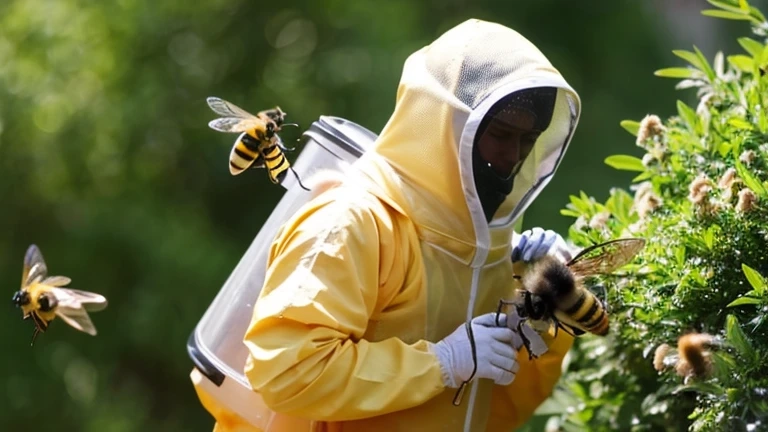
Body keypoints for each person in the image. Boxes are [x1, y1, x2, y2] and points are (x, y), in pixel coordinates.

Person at [197, 17, 581, 431]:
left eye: (528, 141)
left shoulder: (483, 253)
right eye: (502, 134)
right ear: (450, 121)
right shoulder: (350, 223)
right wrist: (443, 362)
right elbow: (286, 371)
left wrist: (542, 305)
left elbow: (490, 413)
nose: (513, 156)